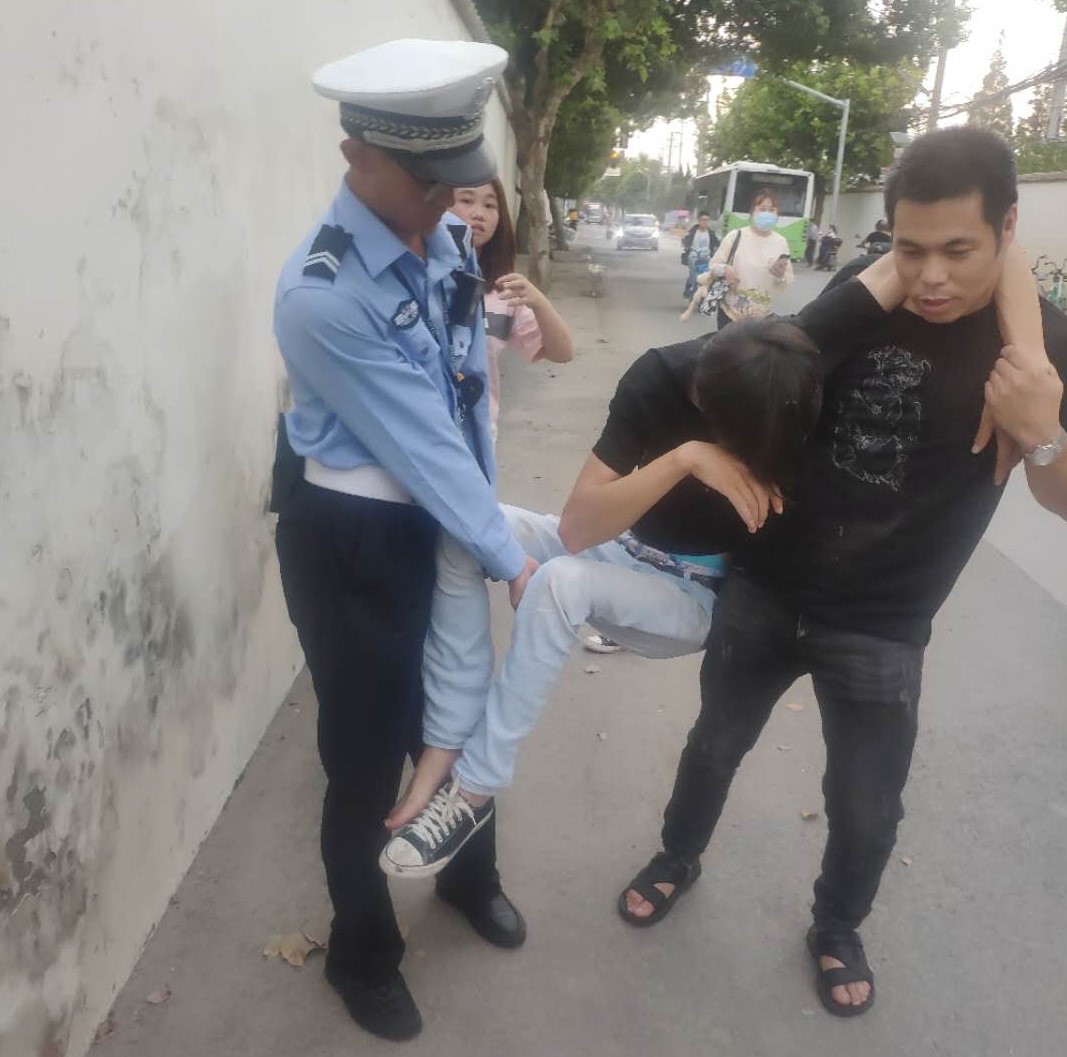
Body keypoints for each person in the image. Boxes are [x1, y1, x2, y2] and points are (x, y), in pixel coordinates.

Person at [618, 127, 1067, 1018]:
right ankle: (677, 853)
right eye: (910, 248)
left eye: (957, 251)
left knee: (865, 804)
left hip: (883, 622)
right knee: (714, 743)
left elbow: (1056, 498)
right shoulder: (862, 294)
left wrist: (1044, 432)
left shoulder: (1042, 343)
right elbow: (773, 371)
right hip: (766, 582)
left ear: (1008, 227)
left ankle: (836, 924)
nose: (929, 276)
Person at [376, 253, 911, 877]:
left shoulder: (791, 376)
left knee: (559, 583)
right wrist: (683, 460)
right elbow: (578, 528)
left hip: (696, 597)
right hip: (619, 549)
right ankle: (447, 738)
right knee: (470, 525)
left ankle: (473, 788)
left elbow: (905, 264)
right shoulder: (667, 374)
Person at [269, 39, 536, 1042]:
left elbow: (462, 395)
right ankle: (362, 950)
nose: (446, 202)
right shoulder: (322, 295)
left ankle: (466, 874)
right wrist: (512, 554)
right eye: (427, 182)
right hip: (354, 542)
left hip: (441, 510)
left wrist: (484, 525)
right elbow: (422, 441)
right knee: (368, 752)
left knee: (459, 711)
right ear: (356, 155)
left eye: (456, 179)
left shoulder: (443, 233)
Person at [449, 180, 574, 442]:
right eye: (467, 200)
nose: (479, 214)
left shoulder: (502, 291)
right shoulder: (416, 278)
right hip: (417, 437)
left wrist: (539, 302)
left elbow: (562, 353)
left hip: (477, 439)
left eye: (490, 205)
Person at [680, 189, 794, 327]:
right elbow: (713, 266)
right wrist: (725, 270)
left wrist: (780, 276)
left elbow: (786, 282)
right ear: (752, 212)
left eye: (772, 210)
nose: (767, 214)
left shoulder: (781, 243)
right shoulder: (735, 236)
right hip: (730, 314)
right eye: (763, 209)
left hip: (761, 318)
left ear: (777, 214)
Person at [681, 212, 719, 300]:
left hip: (707, 257)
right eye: (703, 220)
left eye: (707, 220)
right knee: (693, 276)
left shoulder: (711, 233)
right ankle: (690, 291)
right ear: (698, 221)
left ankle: (704, 295)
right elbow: (685, 241)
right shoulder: (692, 232)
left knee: (706, 277)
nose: (705, 222)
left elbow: (717, 243)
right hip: (694, 257)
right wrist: (688, 247)